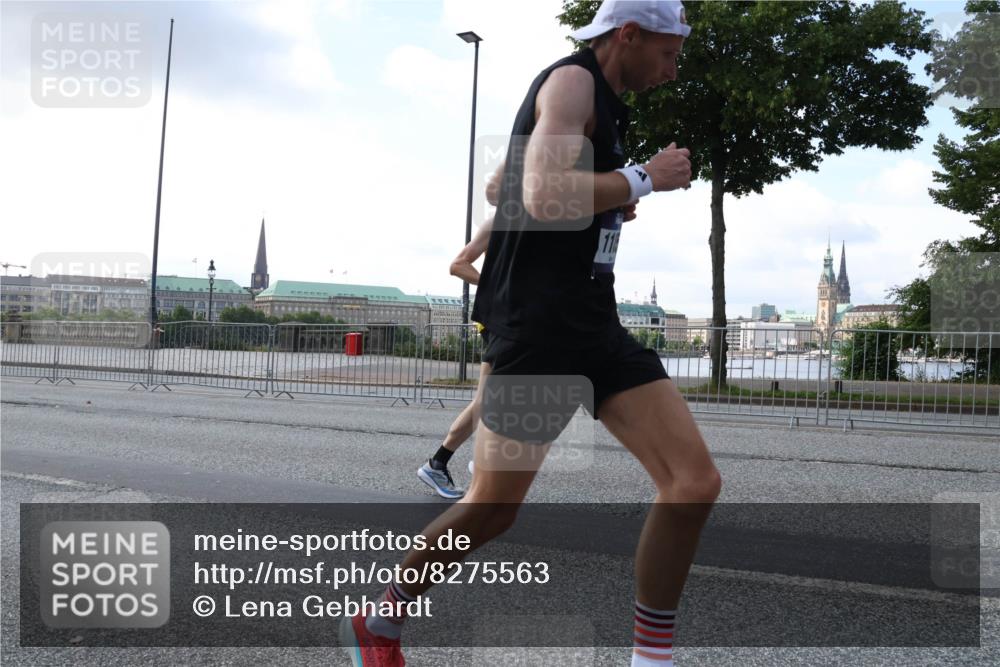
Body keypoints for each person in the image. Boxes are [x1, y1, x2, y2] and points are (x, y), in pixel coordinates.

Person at [341, 3, 720, 666]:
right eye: (668, 52)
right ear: (628, 34)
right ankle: (382, 618)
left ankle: (650, 659)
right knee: (493, 508)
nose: (673, 69)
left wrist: (608, 193)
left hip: (594, 323)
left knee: (693, 483)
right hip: (539, 328)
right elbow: (543, 196)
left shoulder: (608, 104)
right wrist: (641, 179)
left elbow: (504, 185)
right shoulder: (572, 82)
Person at [415, 215, 494, 499]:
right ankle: (478, 462)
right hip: (501, 320)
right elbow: (458, 264)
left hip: (518, 320)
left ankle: (442, 463)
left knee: (488, 401)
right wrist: (499, 286)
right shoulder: (501, 221)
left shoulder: (544, 222)